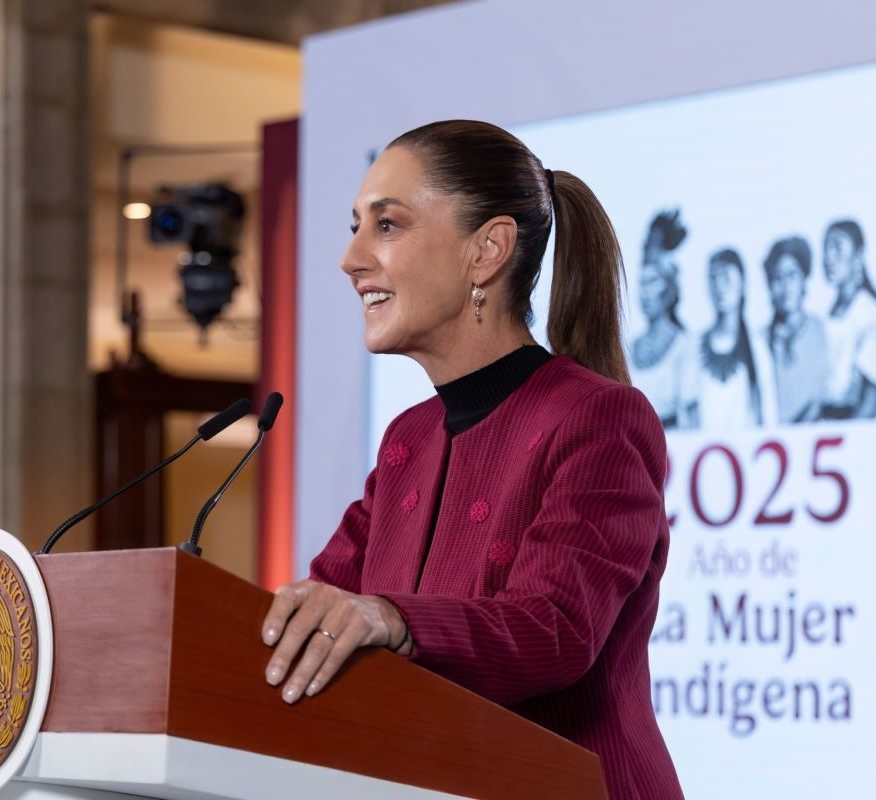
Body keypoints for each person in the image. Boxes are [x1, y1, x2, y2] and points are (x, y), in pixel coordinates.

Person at [260, 120, 683, 799]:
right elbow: (317, 613)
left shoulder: (599, 417)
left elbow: (556, 628)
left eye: (387, 225)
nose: (351, 259)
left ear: (487, 250)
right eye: (355, 226)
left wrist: (392, 620)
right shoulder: (407, 440)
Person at [820, 220, 876, 419]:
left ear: (858, 256)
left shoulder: (868, 314)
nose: (829, 258)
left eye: (838, 248)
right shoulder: (831, 312)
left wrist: (851, 433)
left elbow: (871, 399)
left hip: (851, 421)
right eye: (826, 248)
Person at [630, 209, 698, 429]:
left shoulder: (685, 344)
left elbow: (691, 418)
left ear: (669, 288)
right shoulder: (628, 346)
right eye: (642, 283)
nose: (645, 293)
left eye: (652, 282)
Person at [690, 248, 770, 429]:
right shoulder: (694, 346)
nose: (719, 287)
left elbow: (768, 414)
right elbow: (688, 413)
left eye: (726, 278)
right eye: (713, 278)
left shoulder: (757, 348)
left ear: (742, 284)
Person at [762, 236, 829, 423]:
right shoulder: (760, 341)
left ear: (803, 281)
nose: (786, 287)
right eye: (778, 278)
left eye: (791, 276)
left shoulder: (822, 331)